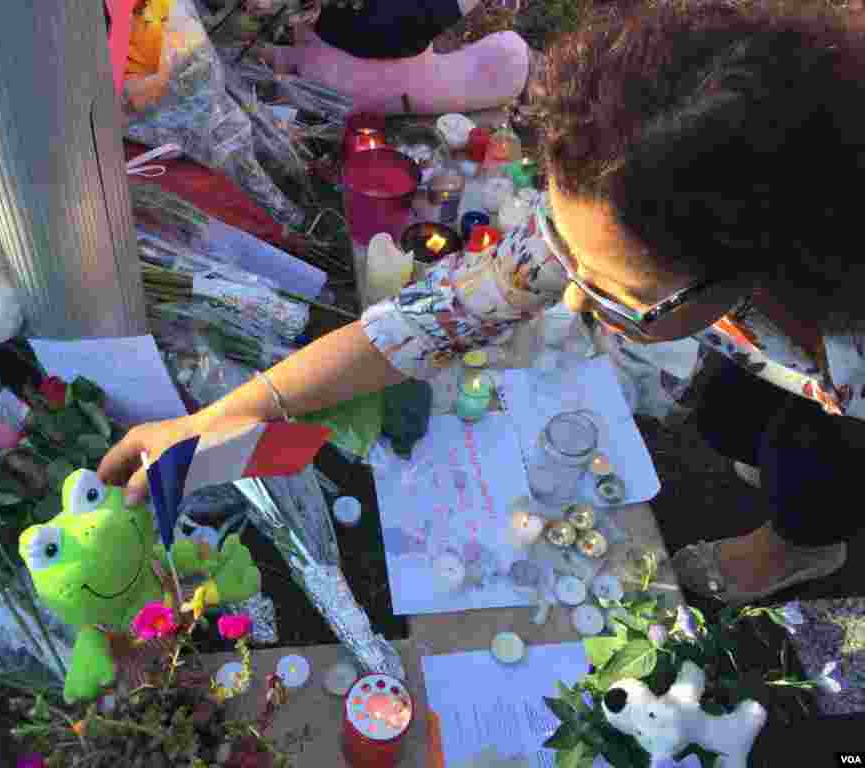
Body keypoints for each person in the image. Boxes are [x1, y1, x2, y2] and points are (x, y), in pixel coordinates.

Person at [100, 0, 865, 606]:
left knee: (819, 458)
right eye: (563, 252)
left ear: (758, 262)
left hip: (840, 400)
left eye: (621, 298)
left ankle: (804, 542)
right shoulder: (638, 214)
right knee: (734, 414)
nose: (565, 296)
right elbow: (414, 328)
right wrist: (213, 421)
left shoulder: (846, 336)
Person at [244, 0, 540, 115]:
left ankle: (289, 60)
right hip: (336, 55)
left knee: (510, 57)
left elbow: (392, 35)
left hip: (376, 66)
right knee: (510, 57)